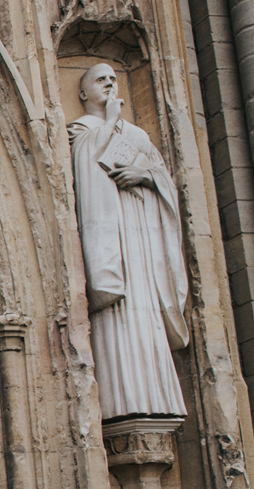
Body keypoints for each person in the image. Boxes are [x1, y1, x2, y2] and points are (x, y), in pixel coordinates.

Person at [67, 61, 190, 420]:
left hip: (142, 244)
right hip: (111, 246)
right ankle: (124, 408)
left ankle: (157, 402)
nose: (109, 83)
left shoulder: (137, 135)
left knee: (144, 315)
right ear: (83, 93)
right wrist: (107, 123)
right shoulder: (82, 130)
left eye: (113, 79)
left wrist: (146, 176)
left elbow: (164, 181)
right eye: (99, 79)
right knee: (118, 318)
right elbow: (85, 162)